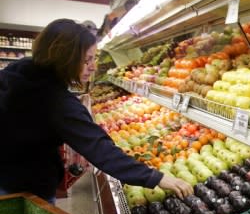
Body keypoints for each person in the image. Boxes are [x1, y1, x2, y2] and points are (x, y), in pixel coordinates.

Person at [0, 19, 193, 203]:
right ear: (66, 59)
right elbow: (100, 149)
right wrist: (155, 177)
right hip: (27, 191)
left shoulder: (18, 71)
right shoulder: (57, 102)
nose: (93, 67)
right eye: (87, 60)